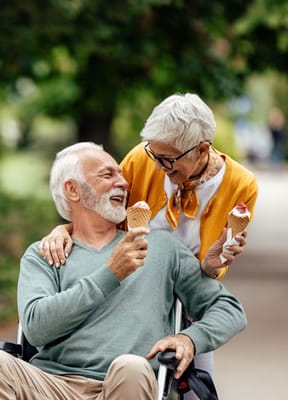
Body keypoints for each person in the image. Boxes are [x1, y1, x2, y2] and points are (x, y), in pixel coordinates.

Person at [0, 142, 247, 400]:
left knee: (130, 366)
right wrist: (110, 273)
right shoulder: (45, 254)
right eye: (107, 175)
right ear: (73, 190)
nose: (124, 182)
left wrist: (190, 338)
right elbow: (37, 328)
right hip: (50, 385)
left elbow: (229, 309)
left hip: (124, 383)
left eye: (121, 174)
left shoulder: (161, 247)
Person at [38, 93, 258, 398]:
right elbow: (100, 212)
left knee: (196, 386)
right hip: (132, 286)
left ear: (202, 150)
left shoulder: (241, 186)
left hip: (188, 290)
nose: (157, 167)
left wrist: (211, 265)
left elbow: (211, 274)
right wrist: (65, 228)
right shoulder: (141, 160)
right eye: (154, 154)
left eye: (168, 160)